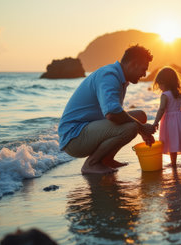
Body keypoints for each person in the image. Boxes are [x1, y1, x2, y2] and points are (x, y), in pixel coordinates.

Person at [58, 44, 156, 174]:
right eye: (143, 69)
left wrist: (141, 128)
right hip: (74, 138)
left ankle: (106, 160)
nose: (144, 74)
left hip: (86, 130)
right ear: (133, 64)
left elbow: (115, 113)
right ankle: (91, 164)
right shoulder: (109, 76)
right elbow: (112, 114)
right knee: (132, 126)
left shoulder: (120, 78)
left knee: (140, 116)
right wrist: (141, 128)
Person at [152, 67, 181, 171]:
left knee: (172, 146)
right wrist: (180, 111)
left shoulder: (165, 95)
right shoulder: (179, 94)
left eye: (160, 84)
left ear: (165, 83)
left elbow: (161, 109)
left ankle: (174, 166)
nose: (160, 87)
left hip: (170, 122)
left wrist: (155, 122)